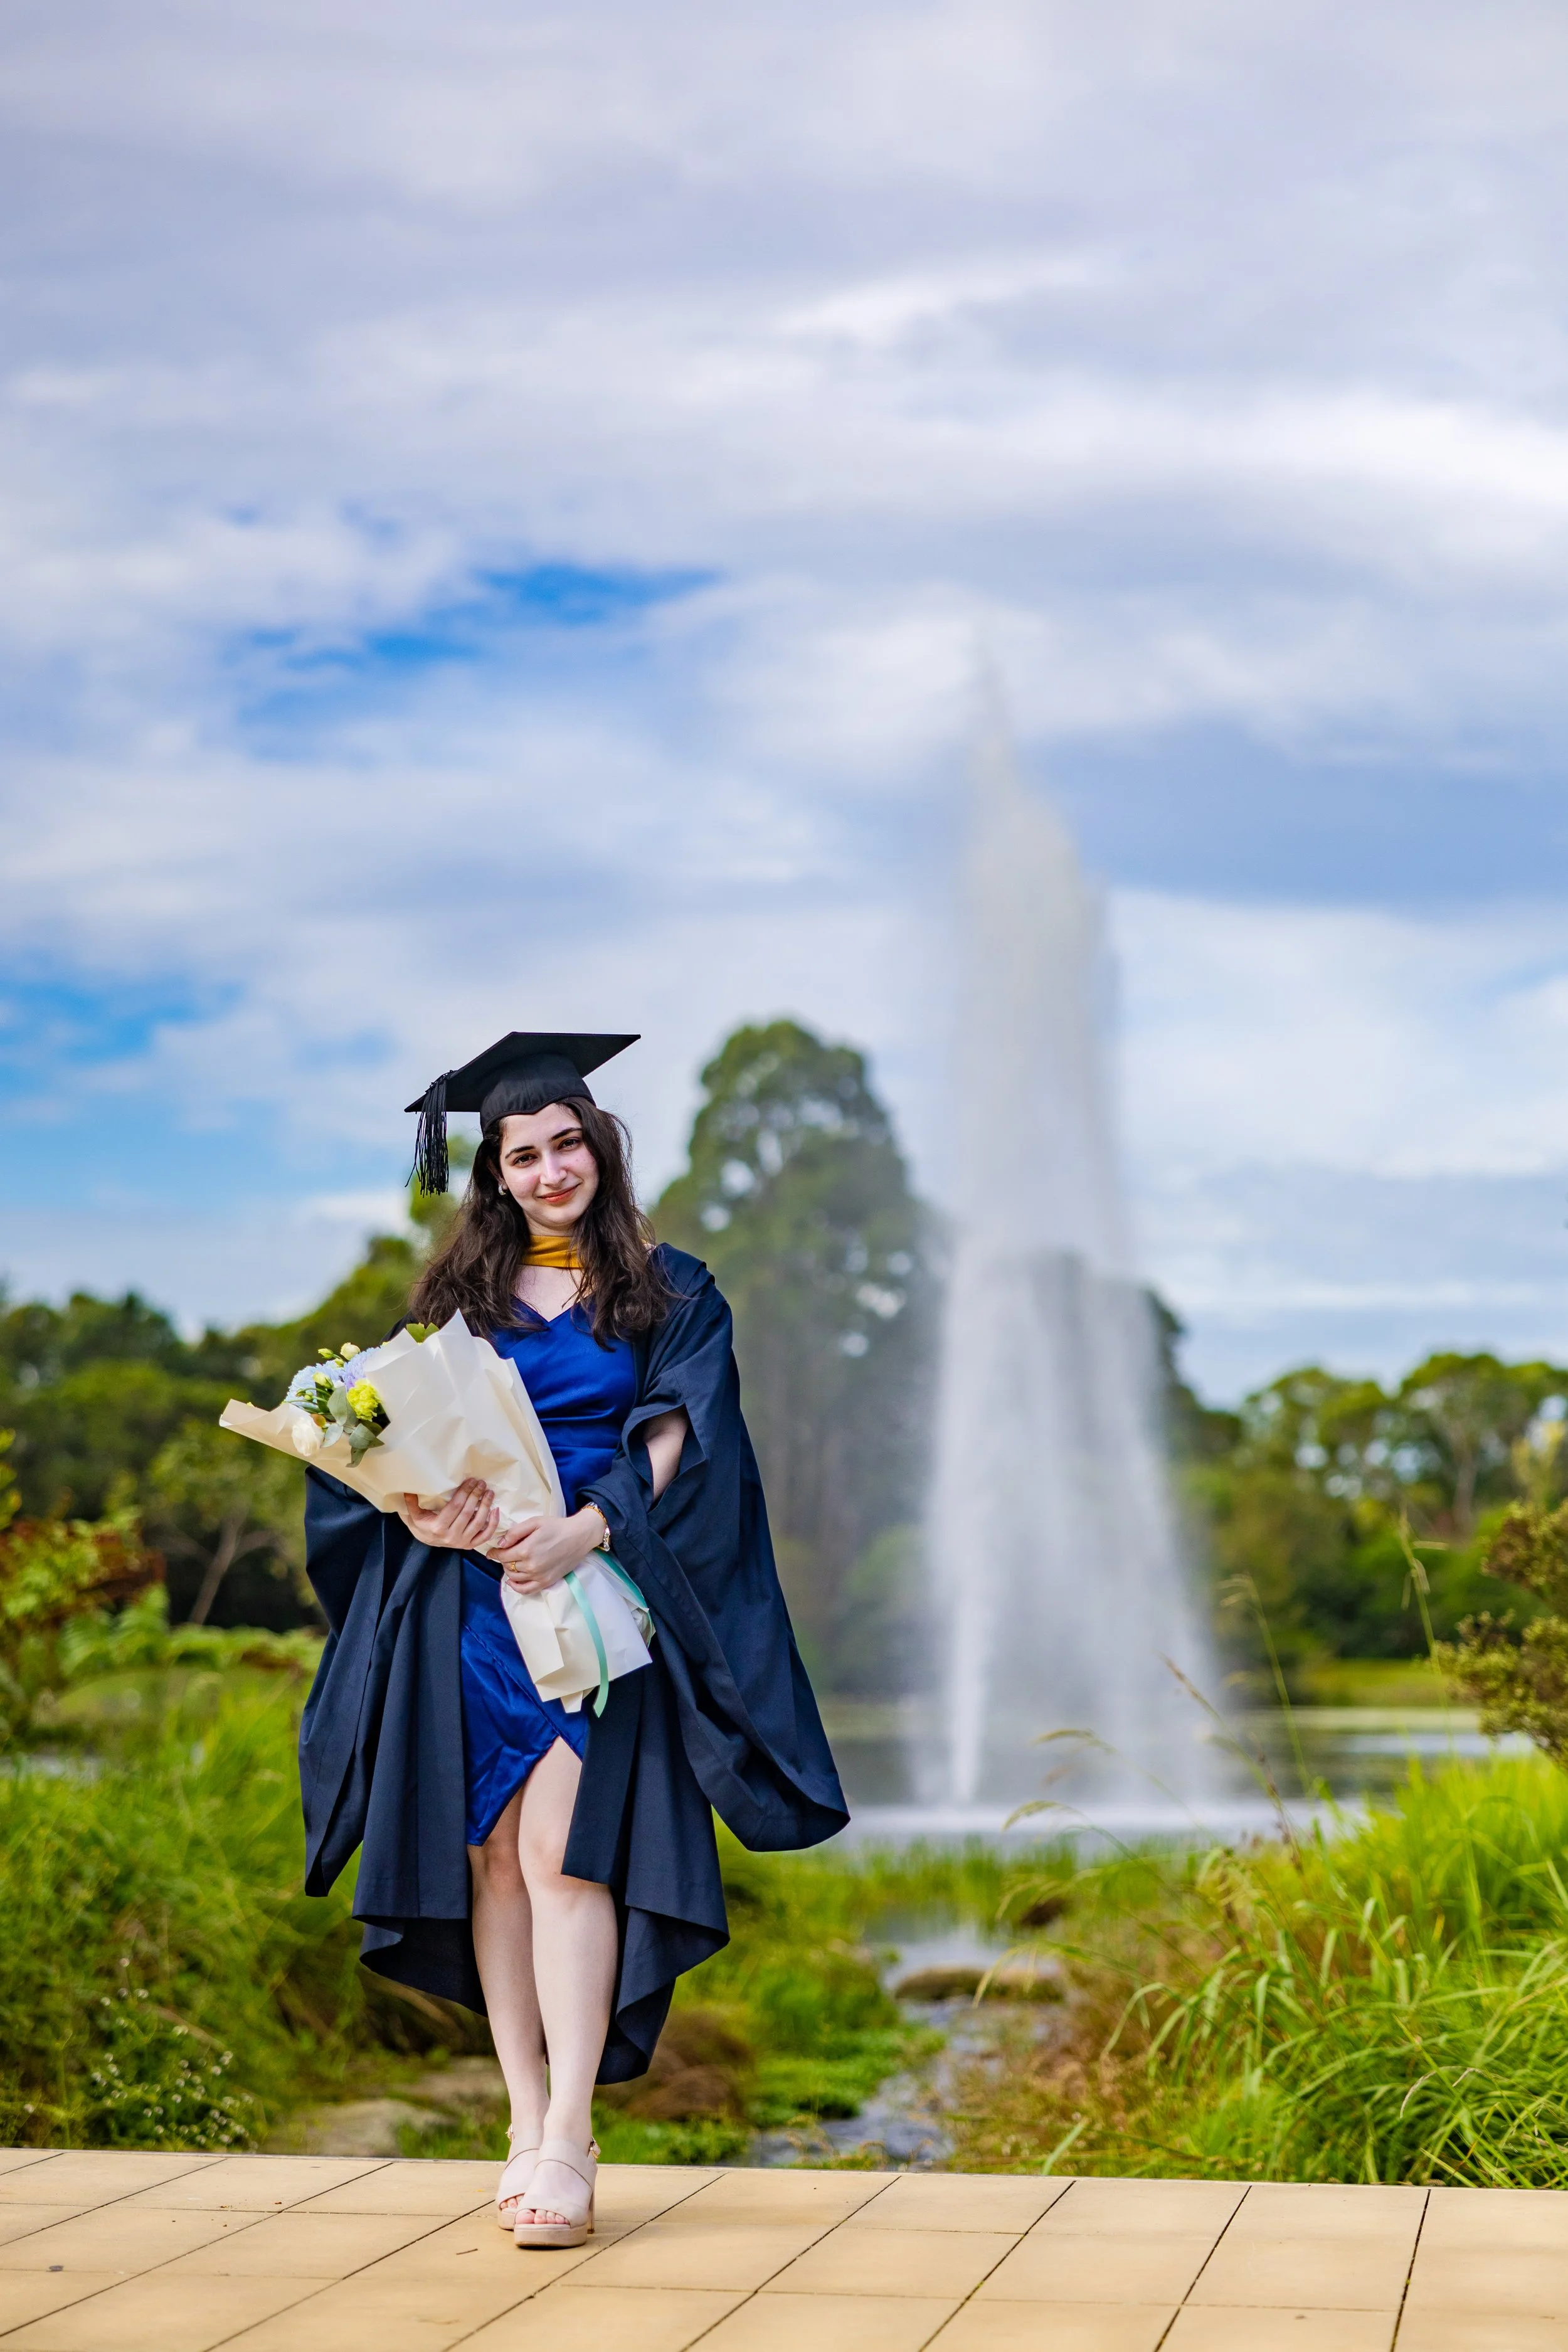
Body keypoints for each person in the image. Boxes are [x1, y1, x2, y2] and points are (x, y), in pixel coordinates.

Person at [297, 1031, 846, 2250]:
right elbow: (400, 1447)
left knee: (565, 1862)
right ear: (492, 1174)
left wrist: (588, 1528)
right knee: (492, 1864)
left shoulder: (671, 1287)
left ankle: (572, 2140)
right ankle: (521, 2115)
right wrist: (423, 1508)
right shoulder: (459, 1302)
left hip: (593, 1601)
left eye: (566, 1145)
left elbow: (685, 1434)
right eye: (522, 1155)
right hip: (467, 1610)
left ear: (599, 1145)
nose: (550, 1171)